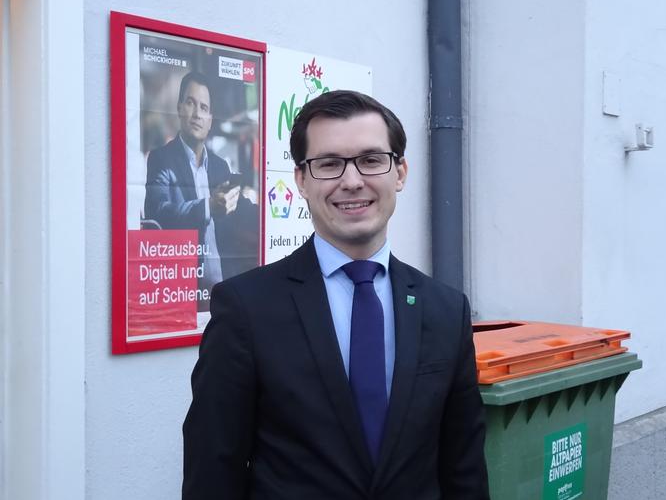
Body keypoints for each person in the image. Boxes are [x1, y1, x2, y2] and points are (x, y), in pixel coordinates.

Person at [182, 90, 490, 499]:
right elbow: (212, 471)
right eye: (328, 164)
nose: (351, 181)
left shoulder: (446, 310)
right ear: (301, 181)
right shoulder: (246, 309)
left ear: (399, 173)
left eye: (371, 159)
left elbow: (463, 468)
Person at [144, 72, 258, 308]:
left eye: (204, 107)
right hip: (183, 292)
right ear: (178, 108)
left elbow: (239, 209)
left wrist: (267, 215)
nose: (197, 114)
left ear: (210, 118)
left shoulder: (219, 165)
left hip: (224, 290)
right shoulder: (161, 159)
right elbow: (158, 211)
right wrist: (207, 207)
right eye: (190, 103)